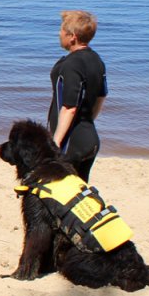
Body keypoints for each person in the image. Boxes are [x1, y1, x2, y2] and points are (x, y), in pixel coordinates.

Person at [48, 10, 108, 182]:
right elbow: (101, 97)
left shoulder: (71, 64)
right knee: (80, 193)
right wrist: (88, 122)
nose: (59, 34)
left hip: (71, 143)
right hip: (90, 139)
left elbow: (69, 107)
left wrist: (55, 143)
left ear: (72, 36)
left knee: (61, 195)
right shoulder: (97, 60)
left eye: (61, 31)